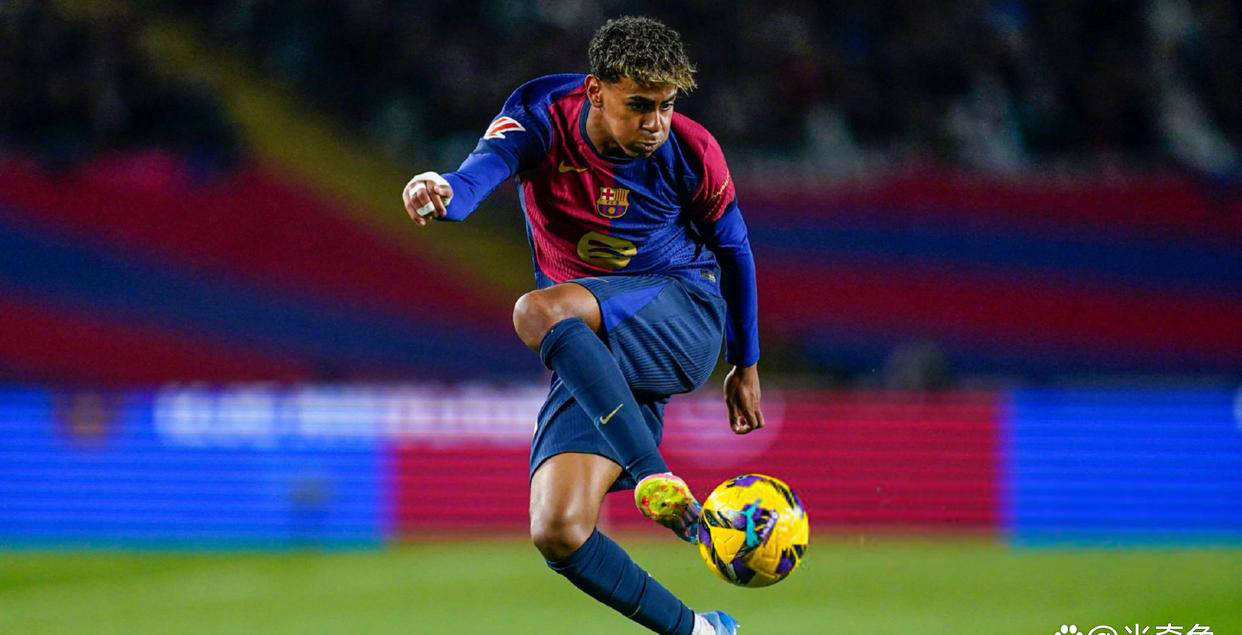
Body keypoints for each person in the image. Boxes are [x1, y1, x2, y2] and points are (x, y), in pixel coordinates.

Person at [401, 16, 762, 635]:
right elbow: (473, 180)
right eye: (639, 105)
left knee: (536, 311)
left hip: (683, 314)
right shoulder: (540, 114)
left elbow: (735, 252)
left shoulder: (693, 151)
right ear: (595, 91)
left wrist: (745, 363)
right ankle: (701, 631)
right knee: (559, 529)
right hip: (594, 348)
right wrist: (437, 189)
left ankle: (653, 477)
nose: (655, 123)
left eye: (666, 105)